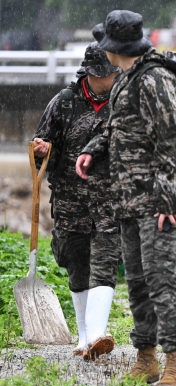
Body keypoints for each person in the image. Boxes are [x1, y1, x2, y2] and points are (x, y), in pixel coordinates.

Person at [77, 10, 176, 386]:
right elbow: (116, 127)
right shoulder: (127, 79)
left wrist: (169, 200)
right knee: (139, 282)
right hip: (128, 198)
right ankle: (146, 356)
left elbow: (173, 140)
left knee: (161, 280)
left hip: (158, 202)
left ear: (112, 48)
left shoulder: (155, 79)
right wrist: (93, 150)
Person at [32, 42, 120, 360]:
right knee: (76, 262)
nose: (110, 80)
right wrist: (42, 149)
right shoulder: (64, 102)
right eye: (105, 75)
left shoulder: (122, 100)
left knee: (106, 261)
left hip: (110, 197)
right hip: (70, 197)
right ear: (90, 75)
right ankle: (83, 337)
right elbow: (42, 140)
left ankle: (98, 334)